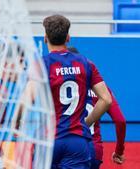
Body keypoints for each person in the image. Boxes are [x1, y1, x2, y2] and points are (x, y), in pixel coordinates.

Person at [41, 14, 112, 169]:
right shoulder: (86, 63)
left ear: (45, 37)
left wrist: (17, 121)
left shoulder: (41, 65)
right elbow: (106, 100)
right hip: (77, 140)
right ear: (68, 37)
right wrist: (86, 123)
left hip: (49, 140)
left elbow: (27, 100)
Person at [68, 47, 126, 169]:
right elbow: (120, 120)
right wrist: (119, 151)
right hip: (94, 150)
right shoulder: (104, 91)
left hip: (70, 146)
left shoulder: (61, 89)